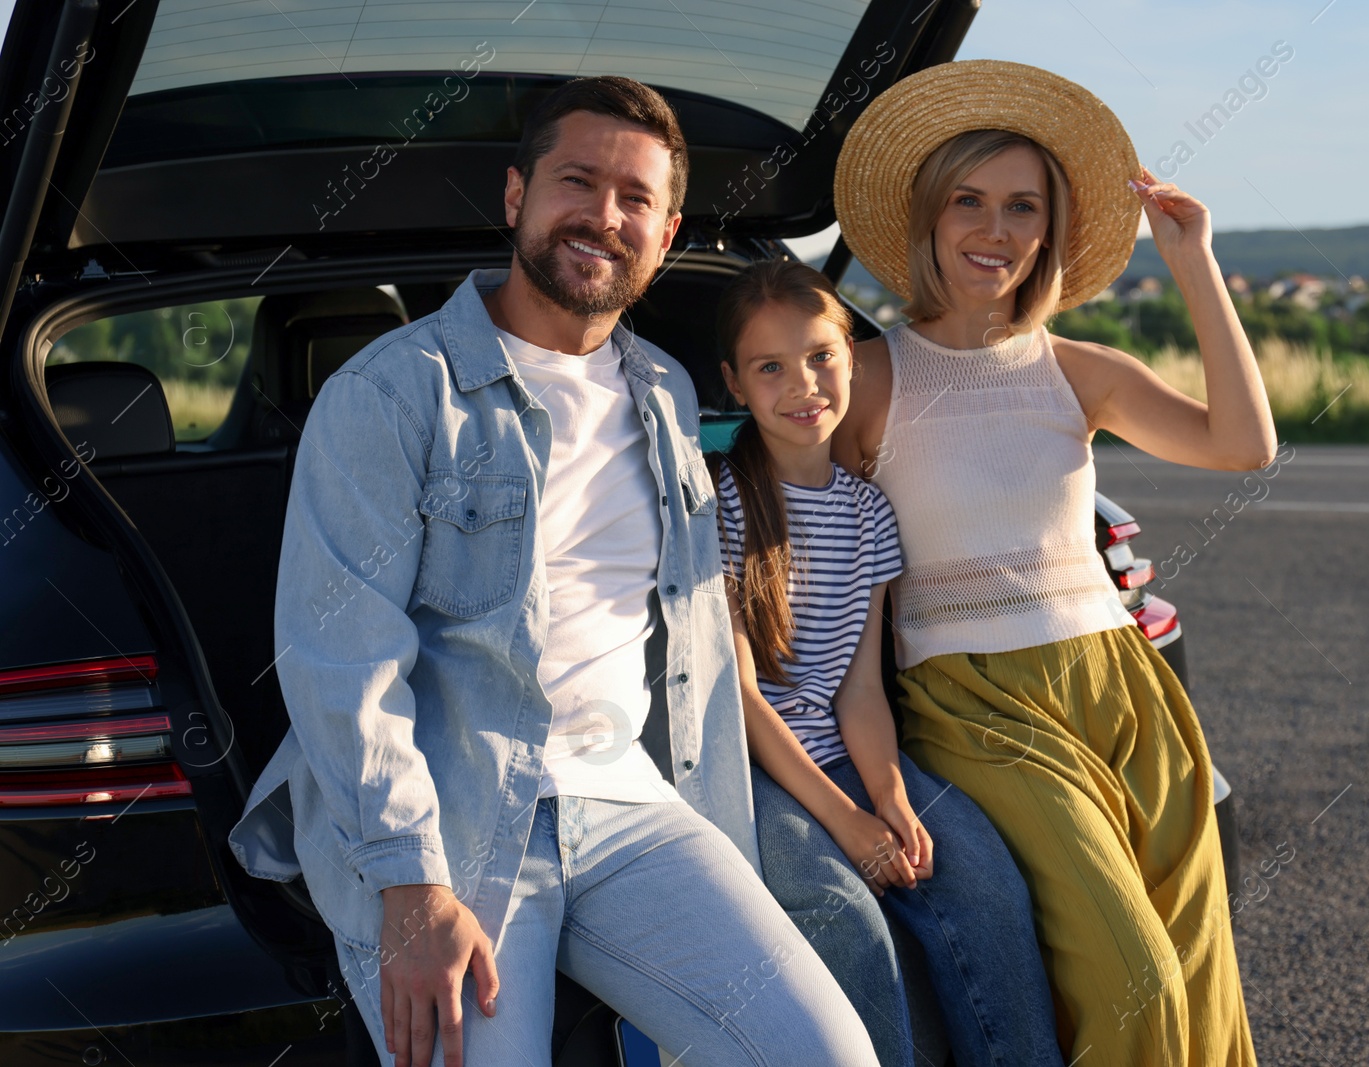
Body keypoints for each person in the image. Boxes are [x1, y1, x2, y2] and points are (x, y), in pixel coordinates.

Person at [226, 76, 877, 1067]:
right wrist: (411, 885)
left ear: (665, 239)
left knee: (824, 1052)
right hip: (455, 818)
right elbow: (340, 655)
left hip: (634, 805)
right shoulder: (394, 394)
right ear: (516, 195)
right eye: (578, 181)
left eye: (635, 200)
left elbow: (695, 632)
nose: (603, 216)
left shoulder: (662, 388)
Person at [829, 60, 1273, 1066]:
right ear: (928, 217)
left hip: (1124, 689)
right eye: (969, 201)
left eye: (1023, 207)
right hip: (971, 704)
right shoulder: (862, 379)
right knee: (1134, 980)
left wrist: (1193, 259)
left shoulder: (1078, 369)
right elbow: (815, 557)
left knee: (1198, 973)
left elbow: (1245, 445)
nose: (995, 231)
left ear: (1051, 228)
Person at [709, 260, 1066, 1067]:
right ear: (734, 381)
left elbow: (861, 690)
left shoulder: (869, 511)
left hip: (849, 753)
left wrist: (893, 799)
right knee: (845, 917)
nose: (803, 385)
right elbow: (739, 699)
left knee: (987, 892)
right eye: (770, 367)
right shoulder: (721, 502)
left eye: (821, 357)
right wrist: (848, 821)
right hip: (757, 773)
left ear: (854, 360)